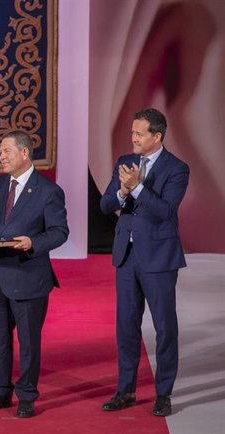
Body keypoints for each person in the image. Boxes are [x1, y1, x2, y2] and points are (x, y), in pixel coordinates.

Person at [100, 108, 189, 417]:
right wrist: (123, 190)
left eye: (139, 133)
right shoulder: (124, 162)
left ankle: (163, 393)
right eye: (132, 132)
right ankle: (125, 389)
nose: (133, 138)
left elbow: (166, 211)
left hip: (159, 258)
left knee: (165, 327)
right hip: (126, 255)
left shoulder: (177, 169)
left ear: (157, 136)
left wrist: (138, 186)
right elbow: (105, 204)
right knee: (125, 326)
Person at [0, 130, 68, 418]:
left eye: (6, 151)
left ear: (24, 153)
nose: (1, 156)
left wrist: (33, 243)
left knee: (28, 342)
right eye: (0, 152)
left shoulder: (48, 191)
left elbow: (59, 232)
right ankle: (1, 391)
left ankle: (27, 394)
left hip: (28, 276)